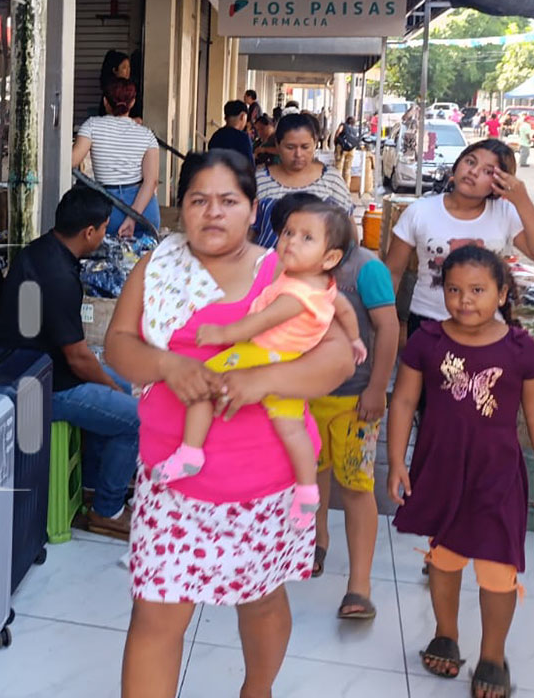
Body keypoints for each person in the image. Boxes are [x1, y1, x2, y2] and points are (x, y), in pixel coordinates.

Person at [107, 150, 355, 698]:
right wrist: (167, 365)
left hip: (263, 484)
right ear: (180, 209)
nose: (212, 213)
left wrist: (259, 383)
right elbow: (119, 346)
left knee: (261, 598)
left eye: (228, 201)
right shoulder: (158, 267)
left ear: (251, 210)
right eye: (198, 200)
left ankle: (256, 691)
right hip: (174, 482)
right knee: (157, 615)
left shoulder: (285, 270)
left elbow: (338, 358)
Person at [387, 246, 534, 698]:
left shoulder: (521, 348)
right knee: (443, 558)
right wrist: (396, 461)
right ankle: (446, 633)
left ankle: (492, 655)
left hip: (496, 476)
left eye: (479, 290)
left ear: (502, 292)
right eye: (455, 290)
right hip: (440, 471)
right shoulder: (427, 341)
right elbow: (403, 401)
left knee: (497, 568)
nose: (466, 300)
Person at [150, 195, 367, 533]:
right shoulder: (324, 286)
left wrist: (220, 333)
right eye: (288, 233)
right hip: (291, 363)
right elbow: (345, 310)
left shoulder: (293, 296)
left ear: (331, 257)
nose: (291, 242)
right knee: (291, 429)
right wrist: (354, 339)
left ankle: (190, 452)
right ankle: (308, 491)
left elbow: (258, 324)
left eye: (306, 238)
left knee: (202, 383)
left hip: (261, 353)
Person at [0, 185, 139, 539]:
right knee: (137, 417)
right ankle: (108, 510)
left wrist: (115, 385)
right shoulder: (59, 276)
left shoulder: (43, 250)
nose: (104, 235)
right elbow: (77, 357)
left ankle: (93, 486)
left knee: (126, 385)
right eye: (104, 228)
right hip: (43, 386)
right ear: (89, 231)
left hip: (37, 366)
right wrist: (110, 388)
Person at [298, 194, 401, 620]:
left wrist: (377, 389)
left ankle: (359, 584)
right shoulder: (298, 267)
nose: (294, 242)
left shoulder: (366, 269)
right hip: (305, 395)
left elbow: (388, 328)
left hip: (353, 402)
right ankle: (315, 543)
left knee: (357, 486)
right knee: (313, 473)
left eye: (306, 235)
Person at [384, 139, 534, 337]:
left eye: (487, 171)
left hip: (486, 327)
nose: (473, 172)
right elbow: (392, 273)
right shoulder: (420, 212)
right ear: (457, 164)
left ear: (499, 183)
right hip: (427, 323)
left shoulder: (505, 213)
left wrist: (522, 200)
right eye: (470, 162)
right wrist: (386, 323)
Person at [73, 78, 161, 239]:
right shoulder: (147, 135)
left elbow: (71, 161)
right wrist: (133, 218)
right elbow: (151, 181)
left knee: (103, 263)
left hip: (107, 207)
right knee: (144, 260)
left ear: (105, 101)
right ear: (132, 102)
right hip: (144, 209)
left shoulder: (91, 126)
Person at [253, 112, 354, 247]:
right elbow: (249, 232)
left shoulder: (331, 180)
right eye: (290, 147)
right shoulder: (260, 181)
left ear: (315, 144)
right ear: (277, 145)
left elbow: (350, 230)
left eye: (305, 147)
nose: (298, 154)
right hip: (269, 267)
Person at [99, 50, 133, 116]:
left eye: (129, 67)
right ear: (115, 70)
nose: (128, 70)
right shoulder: (109, 91)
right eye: (124, 67)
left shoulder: (131, 88)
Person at [335, 115, 360, 182]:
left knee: (339, 168)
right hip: (351, 149)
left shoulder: (343, 125)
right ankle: (346, 187)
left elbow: (338, 132)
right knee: (348, 169)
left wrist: (336, 140)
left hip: (342, 148)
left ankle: (338, 185)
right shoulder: (355, 130)